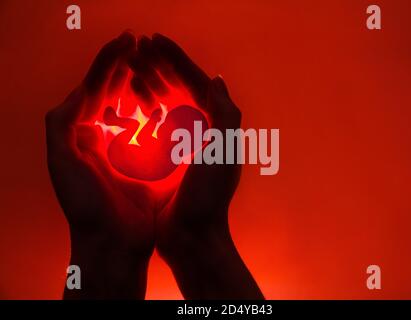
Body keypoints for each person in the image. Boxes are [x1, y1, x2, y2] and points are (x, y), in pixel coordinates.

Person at [45, 31, 264, 300]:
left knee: (128, 138)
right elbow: (146, 135)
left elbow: (147, 135)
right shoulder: (161, 141)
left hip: (128, 154)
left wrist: (106, 249)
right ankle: (116, 120)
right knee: (128, 139)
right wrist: (198, 236)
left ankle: (115, 120)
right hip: (127, 154)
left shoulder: (163, 145)